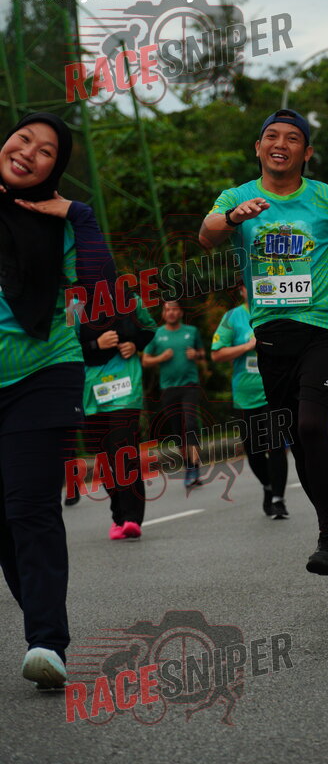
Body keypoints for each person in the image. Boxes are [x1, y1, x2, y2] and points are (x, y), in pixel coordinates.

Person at [199, 108, 328, 583]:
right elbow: (207, 235)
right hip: (272, 334)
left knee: (313, 424)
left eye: (292, 138)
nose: (281, 144)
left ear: (306, 152)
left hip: (326, 327)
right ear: (258, 148)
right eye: (271, 136)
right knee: (296, 436)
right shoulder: (237, 196)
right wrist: (232, 217)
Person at [0, 113, 115, 689]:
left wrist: (79, 215)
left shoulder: (61, 220)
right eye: (24, 139)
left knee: (30, 508)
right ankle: (44, 617)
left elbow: (100, 286)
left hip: (43, 373)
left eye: (46, 151)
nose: (29, 153)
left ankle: (47, 641)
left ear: (55, 169)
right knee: (6, 521)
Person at [69, 289, 156, 539]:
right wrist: (95, 344)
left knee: (124, 451)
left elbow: (149, 328)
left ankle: (132, 518)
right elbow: (65, 348)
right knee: (105, 458)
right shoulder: (74, 305)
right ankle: (118, 516)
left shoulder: (129, 299)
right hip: (91, 392)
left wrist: (135, 344)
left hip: (125, 386)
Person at [211, 283, 289, 518]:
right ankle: (268, 485)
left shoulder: (276, 311)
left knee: (276, 445)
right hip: (246, 396)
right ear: (242, 290)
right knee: (253, 450)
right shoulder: (232, 317)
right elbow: (217, 353)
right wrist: (248, 345)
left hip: (274, 392)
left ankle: (278, 499)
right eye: (248, 286)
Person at [142, 301, 206, 488]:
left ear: (180, 312)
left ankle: (194, 468)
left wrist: (197, 355)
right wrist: (161, 358)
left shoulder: (191, 331)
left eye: (174, 309)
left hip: (189, 386)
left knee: (191, 424)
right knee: (178, 430)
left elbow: (203, 353)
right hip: (169, 388)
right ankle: (188, 466)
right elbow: (145, 360)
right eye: (167, 309)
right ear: (163, 314)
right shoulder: (157, 334)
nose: (171, 312)